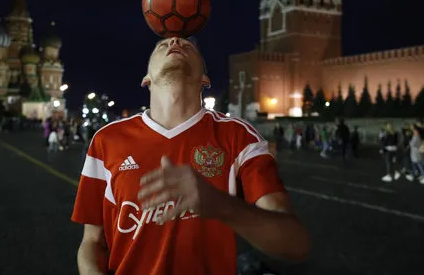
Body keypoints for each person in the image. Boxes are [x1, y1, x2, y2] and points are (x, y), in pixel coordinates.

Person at [71, 37, 310, 275]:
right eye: (161, 45)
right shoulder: (106, 140)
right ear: (146, 79)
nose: (175, 41)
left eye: (188, 46)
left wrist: (220, 205)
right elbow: (92, 241)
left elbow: (295, 244)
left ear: (204, 79)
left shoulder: (239, 137)